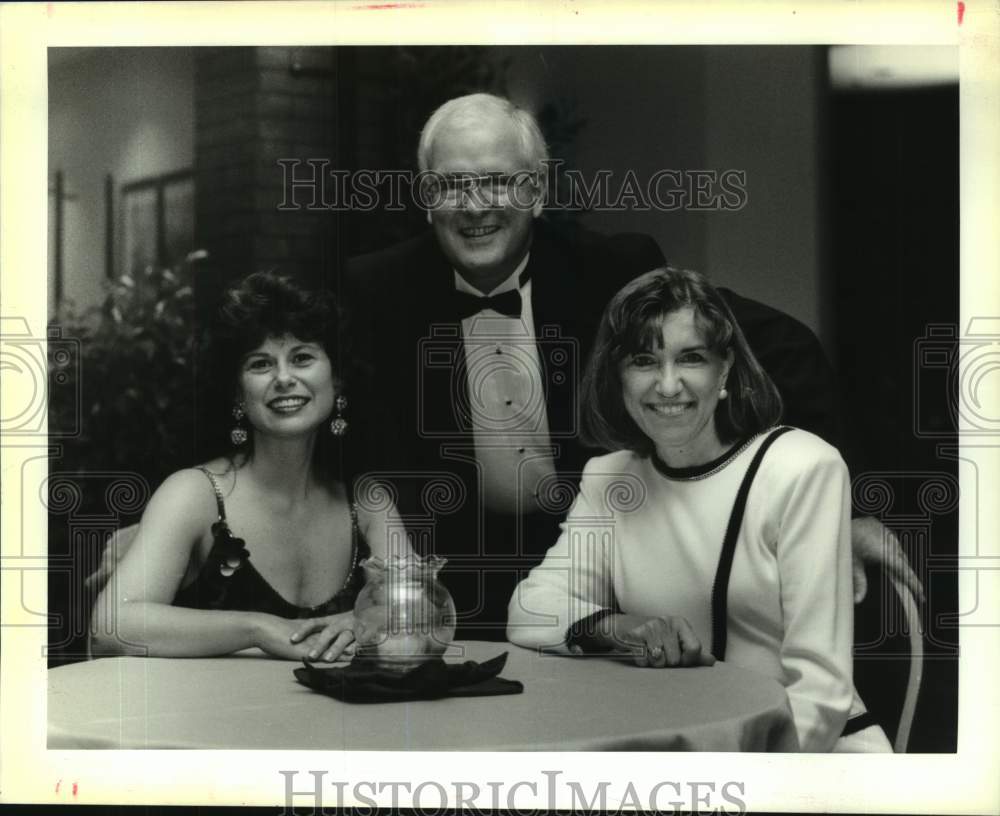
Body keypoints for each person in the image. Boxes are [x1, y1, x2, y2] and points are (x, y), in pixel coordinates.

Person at [345, 92, 921, 640]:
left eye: (499, 180)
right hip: (445, 572)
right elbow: (348, 434)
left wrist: (850, 510)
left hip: (597, 557)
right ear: (426, 195)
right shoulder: (375, 290)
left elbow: (783, 347)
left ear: (538, 190)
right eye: (452, 185)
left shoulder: (610, 270)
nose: (475, 206)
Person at [506, 266, 891, 752]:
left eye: (691, 358)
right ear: (617, 376)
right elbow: (528, 608)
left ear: (725, 370)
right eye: (644, 360)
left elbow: (822, 692)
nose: (668, 386)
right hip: (680, 752)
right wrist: (615, 626)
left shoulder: (801, 468)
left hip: (806, 754)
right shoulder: (612, 478)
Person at [91, 271, 410, 662]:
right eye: (260, 364)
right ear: (238, 394)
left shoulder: (366, 503)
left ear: (338, 380)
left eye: (302, 358)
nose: (284, 378)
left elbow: (423, 610)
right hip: (211, 721)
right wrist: (257, 629)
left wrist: (366, 618)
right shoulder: (195, 494)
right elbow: (109, 627)